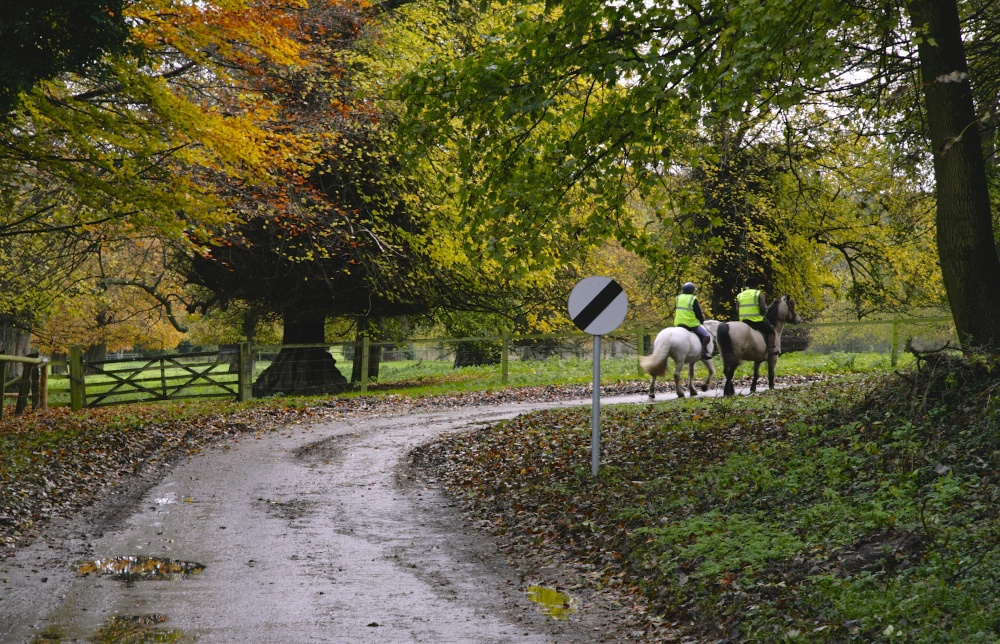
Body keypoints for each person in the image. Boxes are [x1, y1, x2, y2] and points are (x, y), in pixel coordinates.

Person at [737, 276, 778, 355]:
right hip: (755, 320)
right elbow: (762, 308)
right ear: (756, 285)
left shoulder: (740, 295)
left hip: (743, 321)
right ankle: (771, 348)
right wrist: (764, 312)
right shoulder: (758, 294)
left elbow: (737, 309)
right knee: (771, 331)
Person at [674, 282, 712, 360]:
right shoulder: (693, 298)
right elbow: (698, 312)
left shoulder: (678, 298)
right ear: (692, 291)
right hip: (691, 324)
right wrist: (701, 321)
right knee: (706, 336)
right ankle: (703, 352)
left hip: (678, 323)